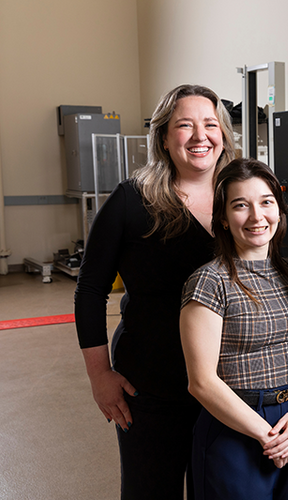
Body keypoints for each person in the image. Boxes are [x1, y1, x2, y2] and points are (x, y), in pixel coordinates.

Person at [74, 84, 236, 499]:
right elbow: (91, 289)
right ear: (164, 137)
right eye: (185, 125)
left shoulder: (242, 196)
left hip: (230, 385)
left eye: (210, 125)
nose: (201, 137)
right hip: (152, 384)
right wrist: (99, 375)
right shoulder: (133, 199)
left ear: (224, 134)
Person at [180, 158, 288, 500]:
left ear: (279, 211)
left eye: (266, 202)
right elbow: (201, 383)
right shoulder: (210, 281)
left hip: (287, 425)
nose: (256, 217)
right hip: (233, 430)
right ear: (223, 218)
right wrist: (266, 435)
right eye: (241, 206)